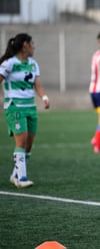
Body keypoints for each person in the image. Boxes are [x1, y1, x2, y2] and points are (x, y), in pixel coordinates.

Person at [0, 33, 50, 188]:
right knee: (21, 142)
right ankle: (22, 179)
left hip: (31, 107)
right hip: (15, 107)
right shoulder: (9, 64)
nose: (34, 46)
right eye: (32, 43)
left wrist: (44, 97)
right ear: (25, 45)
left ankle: (15, 175)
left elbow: (38, 85)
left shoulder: (33, 64)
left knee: (28, 144)